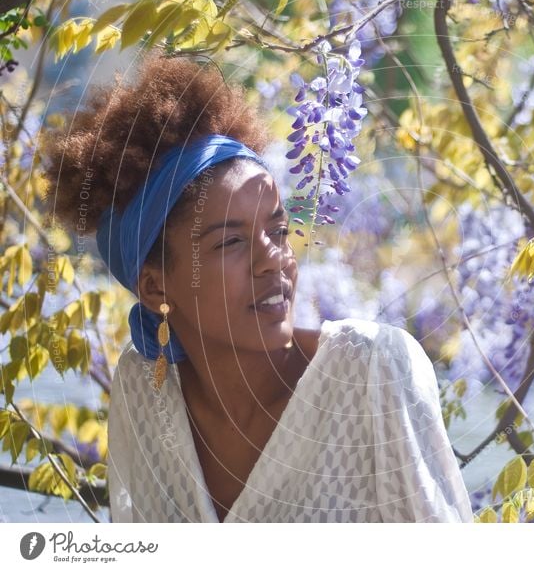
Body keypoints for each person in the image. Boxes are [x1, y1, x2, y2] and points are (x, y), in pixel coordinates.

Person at [39, 50, 473, 523]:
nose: (275, 260)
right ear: (155, 288)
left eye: (279, 231)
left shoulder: (372, 370)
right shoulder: (144, 390)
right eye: (230, 242)